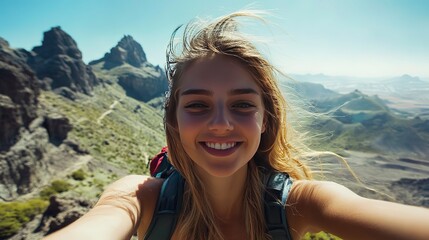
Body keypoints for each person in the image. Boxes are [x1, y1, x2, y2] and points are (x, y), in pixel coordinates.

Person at [44, 11, 429, 240]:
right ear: (173, 121)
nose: (222, 124)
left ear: (267, 119)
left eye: (243, 104)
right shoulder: (140, 198)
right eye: (197, 105)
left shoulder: (300, 204)